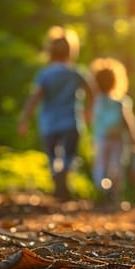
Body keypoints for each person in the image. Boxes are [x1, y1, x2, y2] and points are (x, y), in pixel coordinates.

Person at [18, 26, 95, 201]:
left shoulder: (45, 74)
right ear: (71, 51)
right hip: (71, 122)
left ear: (50, 51)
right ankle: (64, 175)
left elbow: (35, 97)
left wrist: (24, 119)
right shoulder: (76, 72)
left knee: (53, 155)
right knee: (68, 155)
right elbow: (93, 91)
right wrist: (89, 110)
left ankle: (56, 175)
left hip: (49, 123)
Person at [88, 58, 135, 202]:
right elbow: (128, 122)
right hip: (117, 140)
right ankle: (114, 195)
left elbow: (91, 120)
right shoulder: (120, 102)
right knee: (117, 167)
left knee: (101, 166)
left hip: (101, 138)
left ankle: (102, 191)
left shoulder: (96, 101)